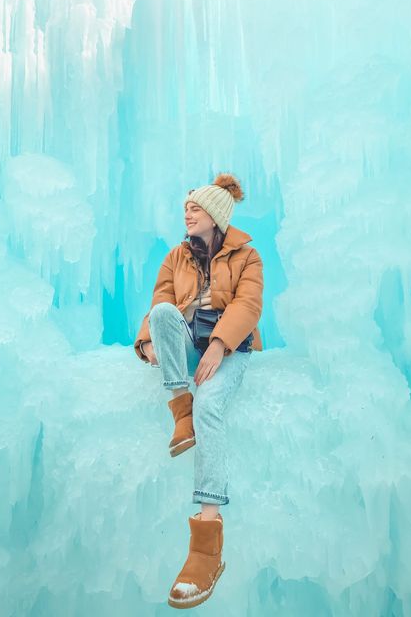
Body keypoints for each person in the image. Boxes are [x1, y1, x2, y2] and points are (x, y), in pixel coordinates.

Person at [134, 172, 263, 609]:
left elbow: (248, 305)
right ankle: (179, 409)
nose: (187, 213)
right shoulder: (176, 257)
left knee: (211, 405)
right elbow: (160, 301)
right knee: (165, 313)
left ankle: (207, 546)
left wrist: (222, 344)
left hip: (229, 347)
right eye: (185, 207)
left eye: (196, 207)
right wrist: (147, 340)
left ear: (216, 215)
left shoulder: (248, 257)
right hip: (190, 341)